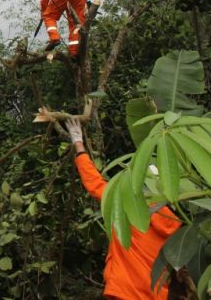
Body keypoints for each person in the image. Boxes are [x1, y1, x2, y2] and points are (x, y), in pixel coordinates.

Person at [66, 119, 180, 300]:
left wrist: (79, 145)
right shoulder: (177, 226)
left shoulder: (129, 206)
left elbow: (95, 184)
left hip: (123, 290)